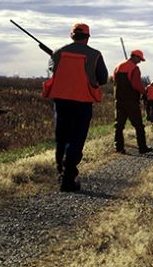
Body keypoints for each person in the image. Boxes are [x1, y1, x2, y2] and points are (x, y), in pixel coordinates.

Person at [44, 22, 108, 192]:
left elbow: (52, 71)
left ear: (71, 35)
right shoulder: (95, 54)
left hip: (61, 101)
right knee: (76, 139)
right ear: (87, 37)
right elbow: (103, 79)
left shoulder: (58, 53)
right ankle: (68, 178)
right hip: (83, 101)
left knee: (62, 138)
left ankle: (61, 173)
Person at [112, 49, 153, 154]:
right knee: (139, 125)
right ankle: (142, 148)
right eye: (139, 59)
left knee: (119, 125)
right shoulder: (135, 69)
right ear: (134, 57)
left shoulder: (118, 66)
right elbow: (136, 84)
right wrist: (144, 92)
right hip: (131, 101)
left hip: (119, 100)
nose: (140, 61)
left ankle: (119, 147)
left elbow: (114, 80)